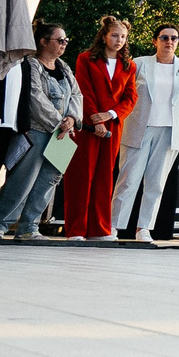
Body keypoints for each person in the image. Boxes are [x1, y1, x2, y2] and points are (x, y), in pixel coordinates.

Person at [0, 25, 79, 240]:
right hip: (37, 131)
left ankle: (30, 227)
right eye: (59, 40)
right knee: (22, 179)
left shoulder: (64, 68)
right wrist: (59, 122)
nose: (64, 44)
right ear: (44, 41)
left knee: (48, 181)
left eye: (65, 40)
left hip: (62, 135)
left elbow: (76, 95)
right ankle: (0, 224)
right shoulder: (31, 65)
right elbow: (34, 97)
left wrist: (72, 119)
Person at [112, 25, 179, 240]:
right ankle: (114, 225)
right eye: (164, 38)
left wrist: (174, 114)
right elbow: (127, 94)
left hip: (169, 132)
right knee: (128, 179)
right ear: (155, 41)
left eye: (174, 38)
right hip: (138, 128)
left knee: (156, 183)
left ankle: (144, 228)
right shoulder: (140, 64)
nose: (169, 42)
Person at [56, 15, 138, 240]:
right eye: (114, 35)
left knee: (105, 178)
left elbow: (131, 97)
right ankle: (76, 230)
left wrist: (111, 115)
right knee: (81, 177)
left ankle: (99, 229)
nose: (119, 40)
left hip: (112, 127)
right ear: (104, 36)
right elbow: (83, 91)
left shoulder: (128, 65)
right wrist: (96, 119)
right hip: (87, 127)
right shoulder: (86, 59)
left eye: (123, 36)